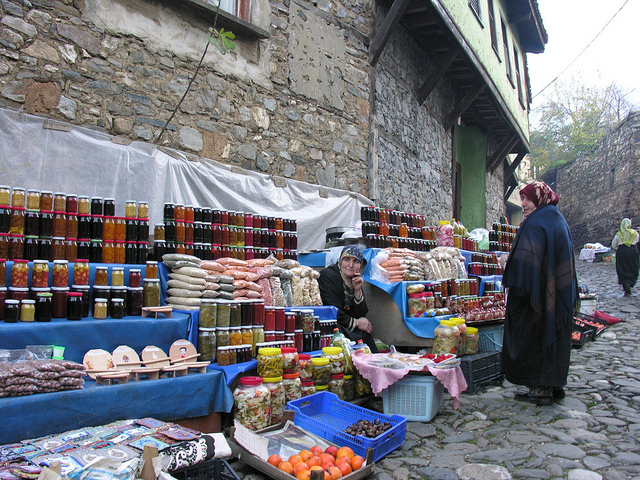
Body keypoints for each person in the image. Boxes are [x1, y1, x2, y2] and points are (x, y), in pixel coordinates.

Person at [502, 181, 578, 405]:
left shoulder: (537, 222)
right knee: (554, 332)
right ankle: (553, 385)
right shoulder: (556, 218)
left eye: (527, 199)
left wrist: (508, 264)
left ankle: (540, 390)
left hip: (536, 297)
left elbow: (525, 264)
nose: (523, 204)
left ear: (539, 198)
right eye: (522, 199)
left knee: (534, 331)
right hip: (554, 294)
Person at [318, 245, 379, 353]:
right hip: (329, 325)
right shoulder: (328, 275)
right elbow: (331, 309)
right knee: (359, 334)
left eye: (356, 261)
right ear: (340, 262)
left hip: (343, 324)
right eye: (347, 260)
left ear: (360, 265)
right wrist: (355, 323)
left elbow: (361, 314)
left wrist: (357, 291)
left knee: (364, 334)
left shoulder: (353, 279)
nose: (350, 265)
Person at [611, 218, 639, 296]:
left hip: (622, 251)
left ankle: (625, 282)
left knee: (622, 267)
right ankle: (630, 282)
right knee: (633, 267)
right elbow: (637, 241)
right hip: (632, 251)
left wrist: (620, 249)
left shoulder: (619, 234)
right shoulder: (635, 233)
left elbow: (614, 245)